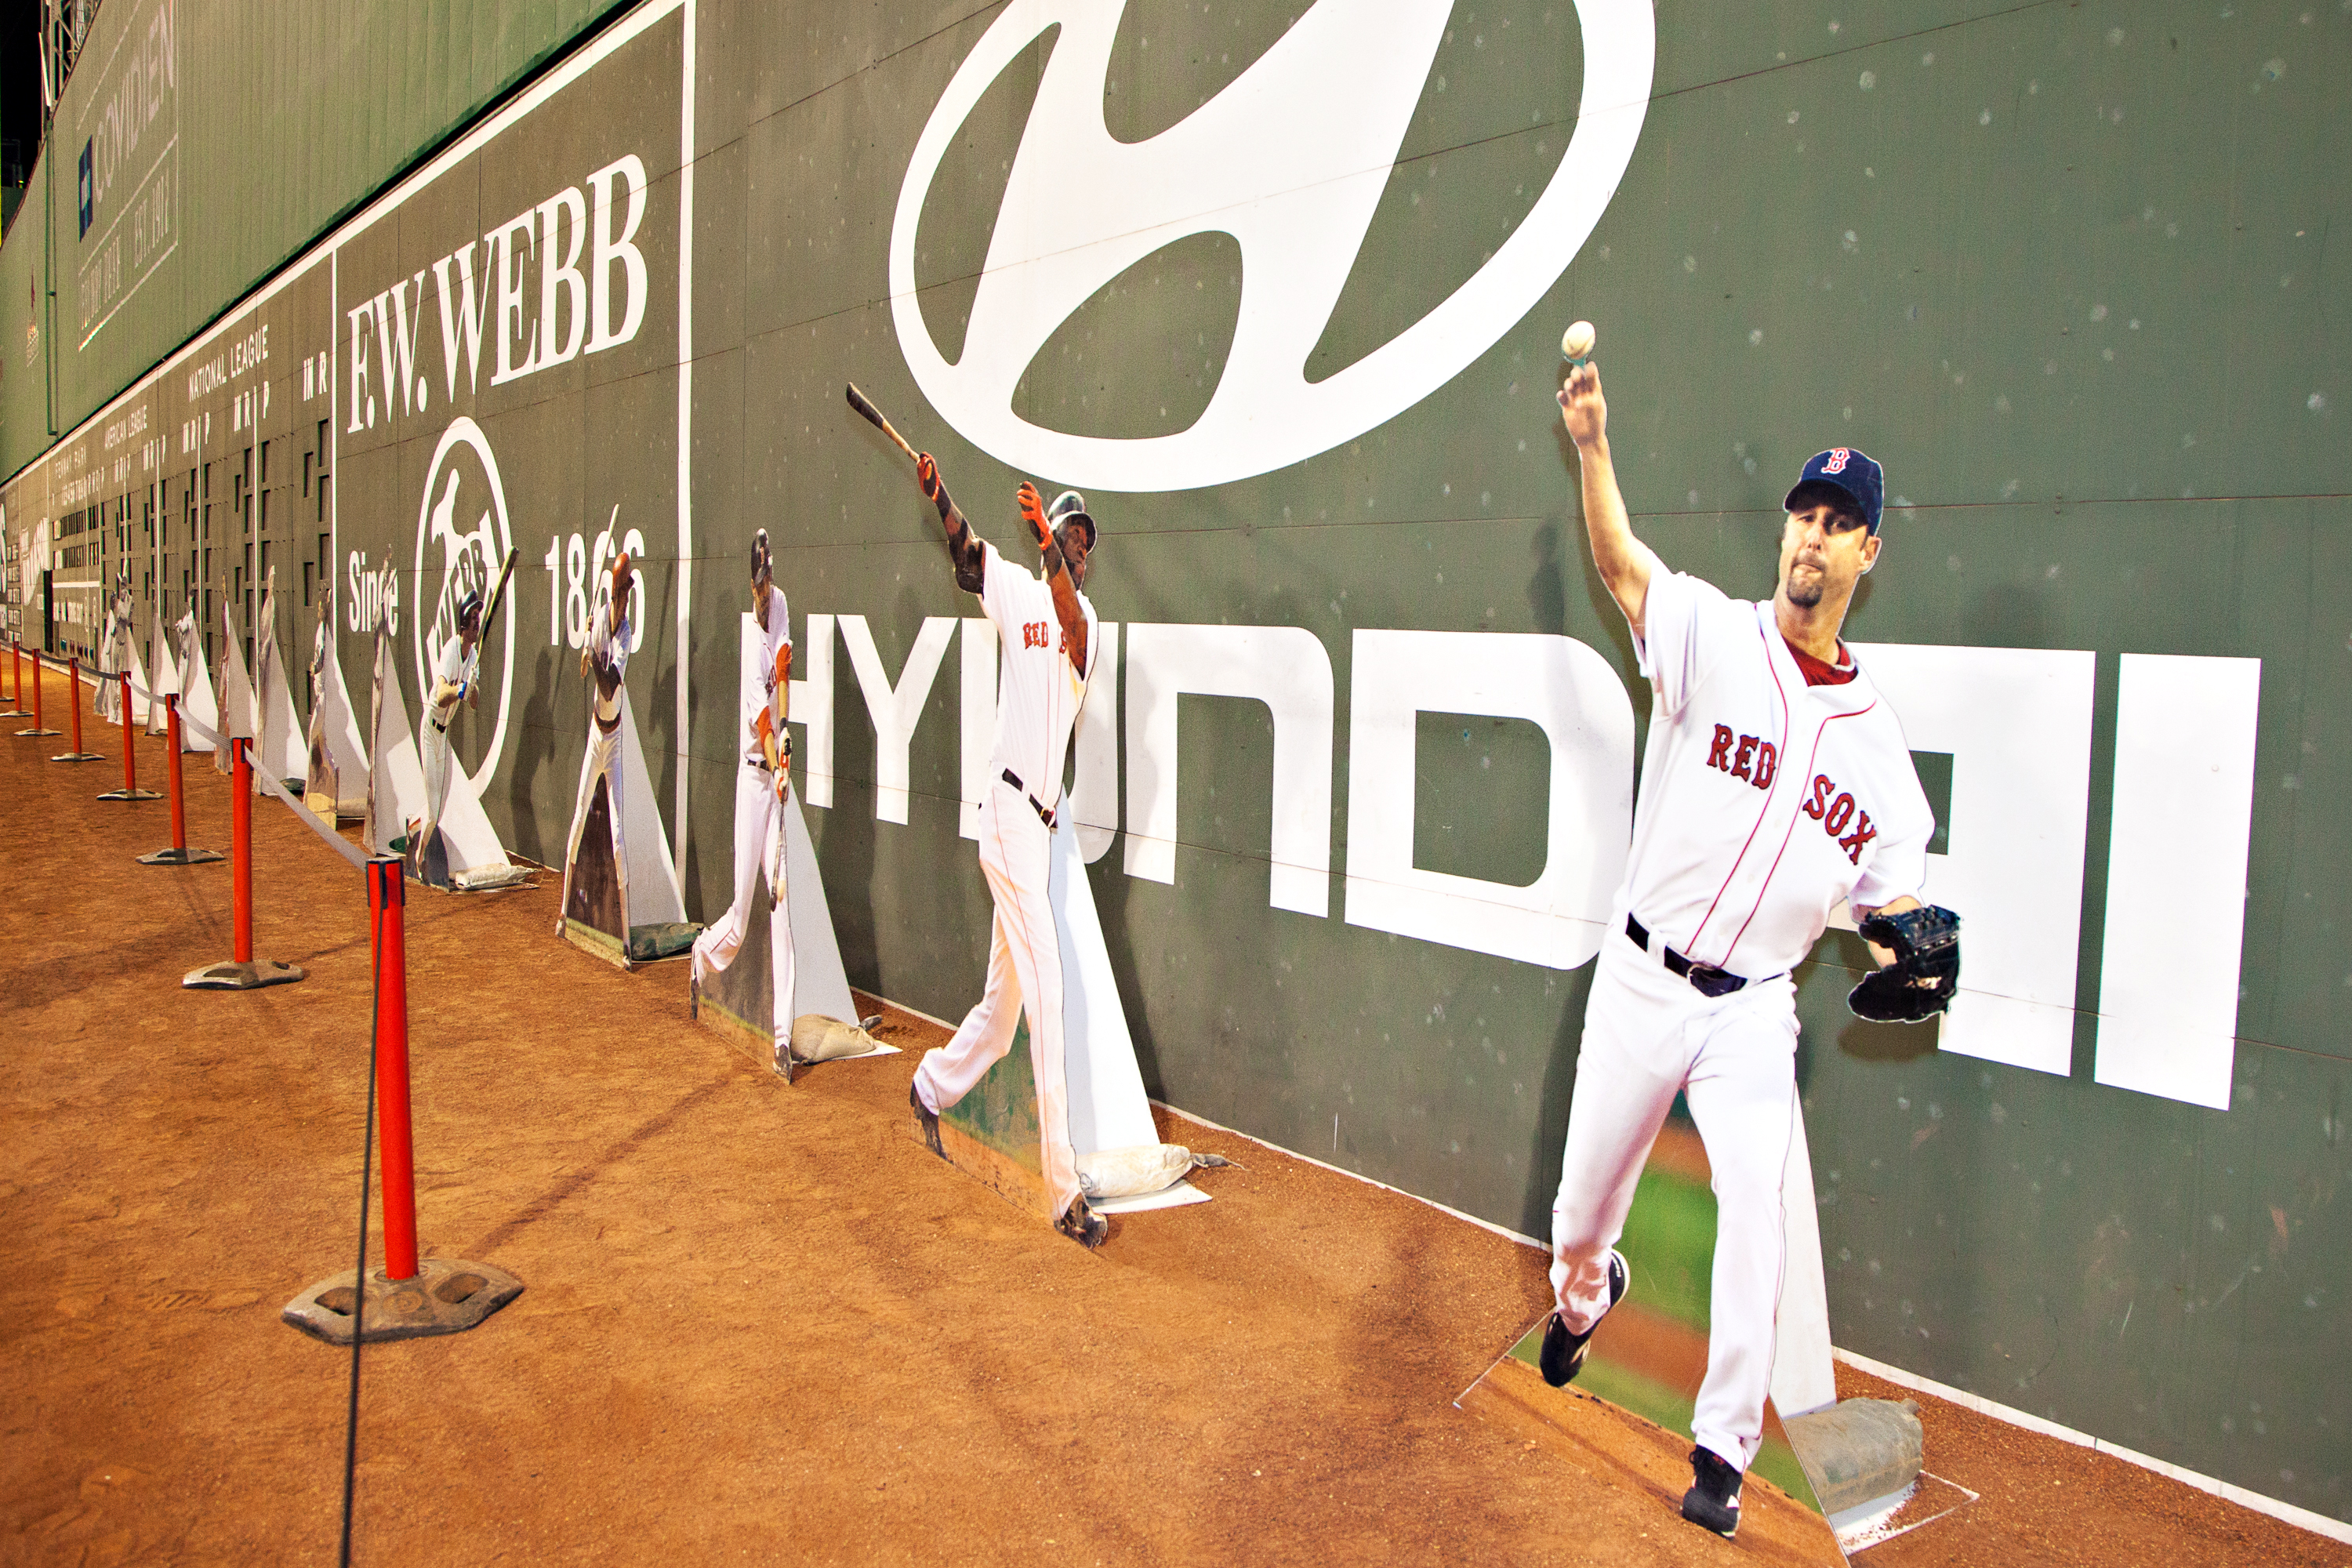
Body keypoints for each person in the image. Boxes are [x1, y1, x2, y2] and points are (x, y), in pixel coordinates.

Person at [1543, 359, 1961, 1539]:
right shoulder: (1712, 636)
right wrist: (1591, 446)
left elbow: (1886, 911)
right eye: (1804, 516)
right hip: (1640, 977)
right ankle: (1586, 1298)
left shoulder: (1881, 757)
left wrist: (1903, 958)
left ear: (1868, 554)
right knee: (1579, 1219)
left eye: (1840, 525)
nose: (1814, 540)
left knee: (1758, 1209)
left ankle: (1721, 1450)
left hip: (1751, 1012)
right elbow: (1624, 562)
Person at [905, 451, 1107, 1248]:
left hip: (1037, 827)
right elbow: (965, 550)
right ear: (1045, 541)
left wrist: (1048, 549)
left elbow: (1073, 624)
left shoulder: (1084, 623)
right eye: (1068, 537)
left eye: (1086, 544)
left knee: (1006, 1010)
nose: (1078, 551)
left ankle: (930, 1085)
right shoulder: (1019, 589)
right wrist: (940, 494)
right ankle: (1064, 1192)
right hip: (1008, 809)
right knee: (1050, 998)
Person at [690, 532, 798, 1073]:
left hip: (773, 776)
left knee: (783, 907)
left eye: (768, 581)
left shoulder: (779, 604)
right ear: (748, 584)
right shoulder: (742, 631)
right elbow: (759, 718)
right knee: (742, 912)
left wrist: (787, 732)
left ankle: (782, 1040)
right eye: (758, 585)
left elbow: (782, 670)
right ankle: (702, 957)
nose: (765, 592)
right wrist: (774, 753)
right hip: (751, 784)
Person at [557, 553, 637, 935]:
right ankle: (561, 913)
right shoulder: (601, 620)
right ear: (613, 591)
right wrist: (587, 647)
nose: (625, 600)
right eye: (622, 592)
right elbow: (586, 670)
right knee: (577, 819)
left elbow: (608, 685)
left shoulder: (625, 634)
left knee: (619, 838)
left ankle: (625, 938)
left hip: (616, 739)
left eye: (628, 593)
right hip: (595, 737)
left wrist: (592, 649)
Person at [416, 590, 484, 867]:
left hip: (444, 737)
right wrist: (459, 690)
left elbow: (475, 704)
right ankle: (418, 861)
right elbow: (442, 692)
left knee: (438, 810)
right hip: (430, 731)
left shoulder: (474, 655)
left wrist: (472, 689)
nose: (477, 623)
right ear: (463, 623)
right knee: (433, 813)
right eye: (473, 618)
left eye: (478, 618)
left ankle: (412, 829)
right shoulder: (450, 650)